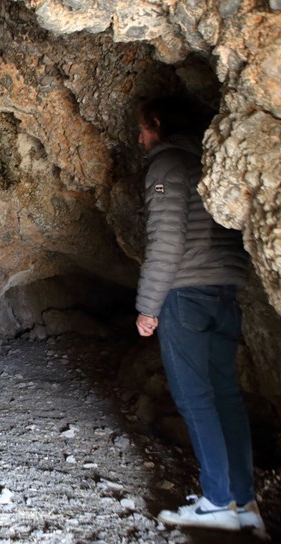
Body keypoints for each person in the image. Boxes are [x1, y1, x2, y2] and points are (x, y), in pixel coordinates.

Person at [134, 98, 265, 535]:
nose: (139, 138)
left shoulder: (166, 165)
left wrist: (148, 307)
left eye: (142, 129)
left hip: (185, 295)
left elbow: (166, 241)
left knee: (195, 399)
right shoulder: (210, 164)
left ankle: (215, 502)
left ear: (157, 124)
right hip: (225, 293)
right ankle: (243, 501)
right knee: (226, 396)